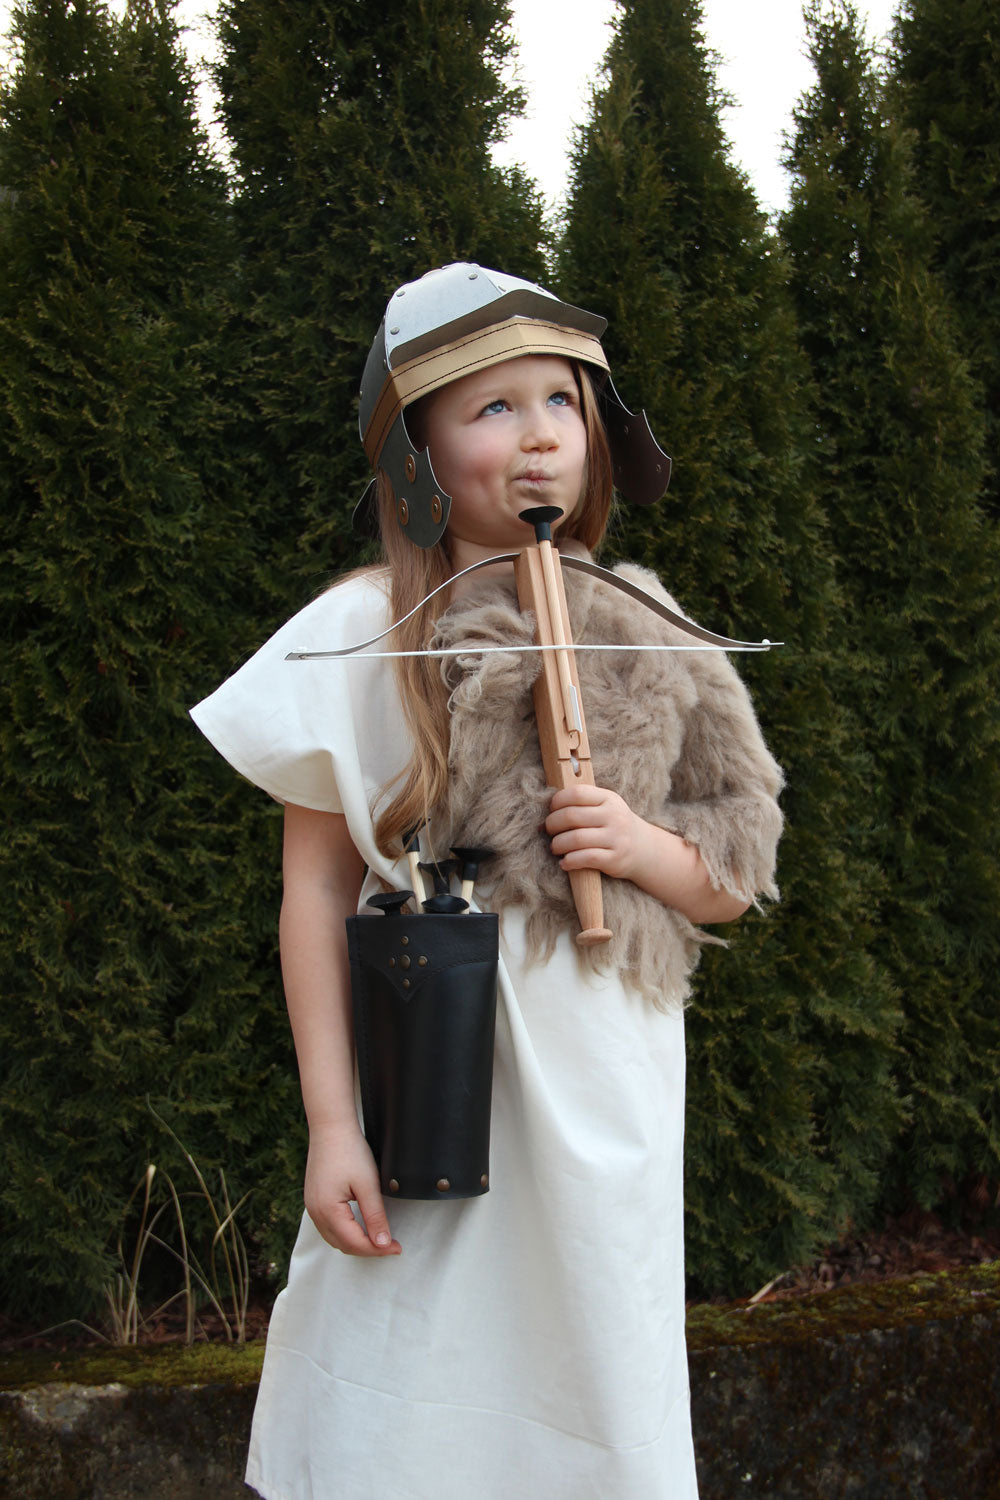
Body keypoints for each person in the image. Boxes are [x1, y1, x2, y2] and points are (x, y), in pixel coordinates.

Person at [191, 262, 783, 1499]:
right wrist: (334, 1125)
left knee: (588, 1365)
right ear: (414, 449)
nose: (535, 441)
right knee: (407, 1355)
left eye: (559, 403)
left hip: (599, 1079)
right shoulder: (363, 635)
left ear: (600, 433)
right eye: (491, 409)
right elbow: (312, 894)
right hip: (434, 1061)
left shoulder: (646, 628)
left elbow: (728, 879)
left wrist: (635, 847)